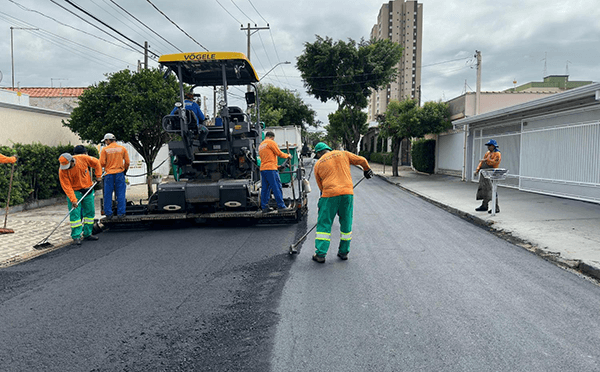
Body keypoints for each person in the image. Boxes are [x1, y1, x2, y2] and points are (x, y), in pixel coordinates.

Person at [311, 142, 373, 263]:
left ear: (319, 153)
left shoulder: (318, 164)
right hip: (347, 193)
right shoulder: (343, 153)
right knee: (346, 221)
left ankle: (320, 254)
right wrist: (367, 170)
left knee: (324, 224)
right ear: (328, 149)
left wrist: (324, 202)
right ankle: (344, 252)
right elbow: (362, 160)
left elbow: (321, 187)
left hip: (329, 195)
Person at [58, 152, 102, 245]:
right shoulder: (62, 170)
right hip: (75, 192)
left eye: (68, 165)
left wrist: (98, 176)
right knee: (75, 215)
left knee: (90, 212)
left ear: (72, 161)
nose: (66, 168)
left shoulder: (83, 158)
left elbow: (97, 163)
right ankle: (76, 236)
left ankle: (88, 233)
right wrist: (73, 200)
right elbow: (67, 186)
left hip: (88, 190)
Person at [258, 131, 291, 213]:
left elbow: (267, 159)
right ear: (272, 137)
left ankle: (264, 207)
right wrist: (288, 156)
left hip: (263, 169)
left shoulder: (261, 145)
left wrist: (277, 166)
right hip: (271, 169)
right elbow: (279, 153)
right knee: (276, 187)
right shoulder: (271, 142)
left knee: (265, 189)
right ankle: (281, 206)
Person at [100, 133, 130, 219]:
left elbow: (101, 163)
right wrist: (124, 170)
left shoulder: (105, 150)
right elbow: (127, 162)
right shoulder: (122, 149)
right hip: (119, 173)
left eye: (106, 141)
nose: (105, 143)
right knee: (120, 193)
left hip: (108, 174)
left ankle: (108, 214)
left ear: (108, 140)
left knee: (107, 194)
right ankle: (121, 213)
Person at [474, 139, 502, 213]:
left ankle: (496, 207)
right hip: (484, 173)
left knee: (492, 189)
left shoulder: (497, 154)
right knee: (484, 189)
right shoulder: (487, 153)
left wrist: (486, 160)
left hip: (492, 173)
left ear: (493, 146)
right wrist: (477, 170)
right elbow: (482, 162)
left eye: (489, 146)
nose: (488, 147)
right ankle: (484, 205)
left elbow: (493, 162)